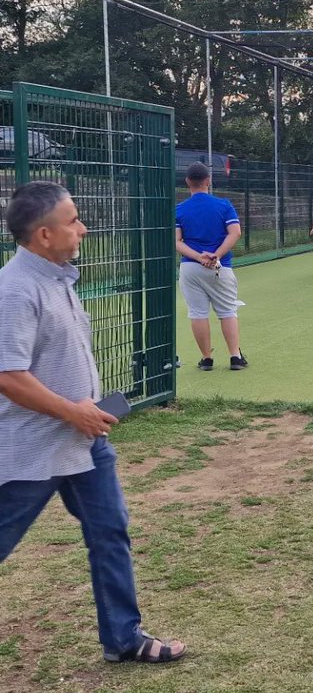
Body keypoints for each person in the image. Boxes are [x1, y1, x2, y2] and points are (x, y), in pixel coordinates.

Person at [0, 182, 186, 664]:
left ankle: (124, 639)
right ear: (44, 234)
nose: (82, 229)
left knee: (110, 531)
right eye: (73, 221)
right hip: (34, 448)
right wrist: (73, 411)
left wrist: (85, 414)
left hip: (83, 443)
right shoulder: (16, 290)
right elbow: (8, 377)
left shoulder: (58, 278)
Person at [175, 161, 248, 370]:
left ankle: (206, 359)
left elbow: (177, 241)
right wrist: (215, 255)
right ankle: (235, 357)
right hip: (220, 267)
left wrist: (199, 257)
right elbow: (235, 233)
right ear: (208, 181)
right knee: (227, 310)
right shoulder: (224, 205)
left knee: (197, 312)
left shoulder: (179, 209)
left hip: (190, 267)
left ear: (188, 181)